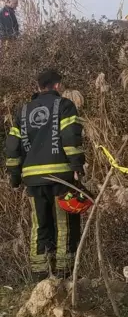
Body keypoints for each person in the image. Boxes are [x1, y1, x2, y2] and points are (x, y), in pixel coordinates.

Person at [4, 69, 85, 280]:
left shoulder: (23, 111)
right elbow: (71, 138)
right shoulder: (64, 106)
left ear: (39, 86)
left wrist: (14, 176)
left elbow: (13, 146)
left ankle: (40, 275)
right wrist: (77, 167)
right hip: (60, 177)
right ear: (57, 85)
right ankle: (64, 274)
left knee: (40, 225)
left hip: (32, 179)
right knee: (64, 224)